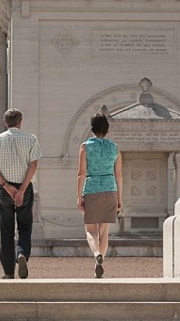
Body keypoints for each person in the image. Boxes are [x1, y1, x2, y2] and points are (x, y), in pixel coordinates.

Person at [0, 108, 42, 279]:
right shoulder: (31, 139)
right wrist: (22, 190)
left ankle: (8, 272)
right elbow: (33, 165)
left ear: (4, 123)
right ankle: (21, 253)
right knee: (24, 227)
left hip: (5, 189)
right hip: (24, 187)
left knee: (6, 230)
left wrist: (7, 186)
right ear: (20, 121)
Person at [76, 113, 123, 278]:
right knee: (104, 231)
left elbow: (81, 173)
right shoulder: (115, 148)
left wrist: (79, 196)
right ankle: (99, 261)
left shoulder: (85, 146)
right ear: (107, 129)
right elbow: (119, 175)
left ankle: (96, 253)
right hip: (110, 189)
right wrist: (120, 199)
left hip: (92, 188)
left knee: (90, 230)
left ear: (92, 128)